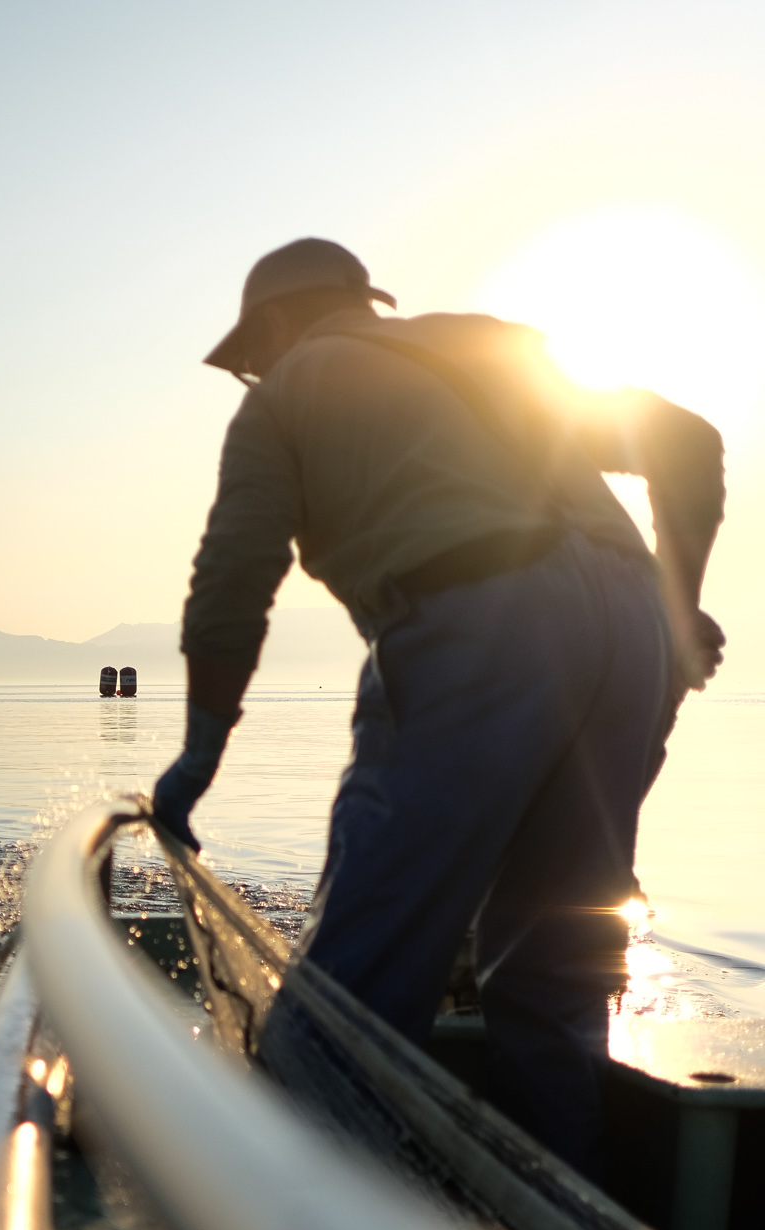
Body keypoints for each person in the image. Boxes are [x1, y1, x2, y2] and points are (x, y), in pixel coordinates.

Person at [152, 236, 725, 1175]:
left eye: (252, 355)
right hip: (631, 638)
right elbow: (690, 442)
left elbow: (229, 588)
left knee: (356, 982)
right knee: (553, 973)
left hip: (478, 622)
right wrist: (673, 607)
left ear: (277, 323)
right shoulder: (484, 346)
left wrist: (200, 754)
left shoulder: (286, 393)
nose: (253, 373)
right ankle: (555, 1226)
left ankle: (294, 1217)